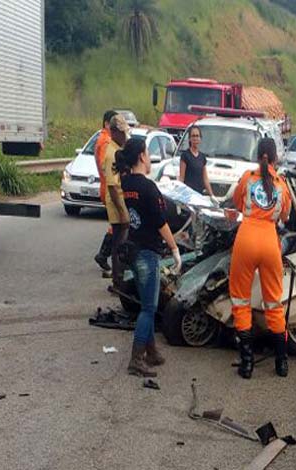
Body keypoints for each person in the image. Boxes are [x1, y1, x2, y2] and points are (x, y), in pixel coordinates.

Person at [117, 138, 182, 377]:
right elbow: (160, 223)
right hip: (147, 252)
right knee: (148, 307)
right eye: (147, 152)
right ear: (142, 157)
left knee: (148, 302)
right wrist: (175, 250)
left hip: (134, 249)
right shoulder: (148, 188)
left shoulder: (127, 184)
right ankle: (136, 359)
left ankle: (151, 352)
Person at [229, 138, 292, 379]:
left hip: (246, 239)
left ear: (258, 157)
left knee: (240, 300)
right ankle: (281, 363)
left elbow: (236, 202)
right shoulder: (282, 185)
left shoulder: (248, 178)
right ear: (275, 158)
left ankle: (247, 364)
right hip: (269, 242)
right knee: (274, 303)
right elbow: (285, 215)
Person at [101, 114, 131, 289]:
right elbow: (112, 186)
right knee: (119, 242)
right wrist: (123, 212)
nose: (124, 136)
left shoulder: (117, 149)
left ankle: (118, 278)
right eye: (121, 133)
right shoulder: (112, 153)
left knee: (118, 241)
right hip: (117, 202)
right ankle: (118, 280)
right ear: (113, 132)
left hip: (119, 200)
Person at [94, 110, 118, 277]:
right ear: (107, 124)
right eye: (114, 123)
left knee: (115, 224)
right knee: (116, 224)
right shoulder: (105, 141)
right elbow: (105, 165)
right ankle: (103, 255)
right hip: (109, 187)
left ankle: (105, 255)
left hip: (107, 186)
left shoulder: (105, 140)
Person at [179, 125, 218, 204]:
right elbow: (181, 178)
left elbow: (205, 178)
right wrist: (179, 195)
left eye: (197, 136)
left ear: (200, 138)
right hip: (188, 196)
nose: (195, 138)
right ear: (189, 139)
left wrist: (212, 195)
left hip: (199, 195)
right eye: (193, 136)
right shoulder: (185, 156)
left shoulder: (202, 157)